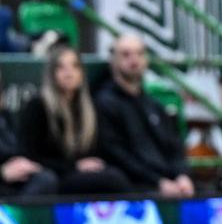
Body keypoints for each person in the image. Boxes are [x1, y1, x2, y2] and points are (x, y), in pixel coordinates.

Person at [17, 42, 131, 195]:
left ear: (82, 73)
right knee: (113, 180)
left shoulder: (89, 107)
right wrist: (74, 166)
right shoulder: (38, 106)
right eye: (61, 67)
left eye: (74, 66)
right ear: (51, 73)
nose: (68, 72)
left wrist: (90, 164)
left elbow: (99, 150)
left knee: (116, 176)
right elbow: (31, 156)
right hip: (56, 176)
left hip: (81, 173)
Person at [93, 34, 194, 198]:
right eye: (126, 54)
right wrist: (158, 182)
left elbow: (174, 146)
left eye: (139, 53)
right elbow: (117, 155)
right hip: (135, 188)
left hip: (169, 183)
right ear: (113, 60)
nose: (134, 60)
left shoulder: (153, 104)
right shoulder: (104, 103)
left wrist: (182, 175)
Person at [0, 66, 57, 198]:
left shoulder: (6, 116)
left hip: (15, 180)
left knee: (46, 179)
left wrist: (23, 164)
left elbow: (19, 149)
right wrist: (2, 173)